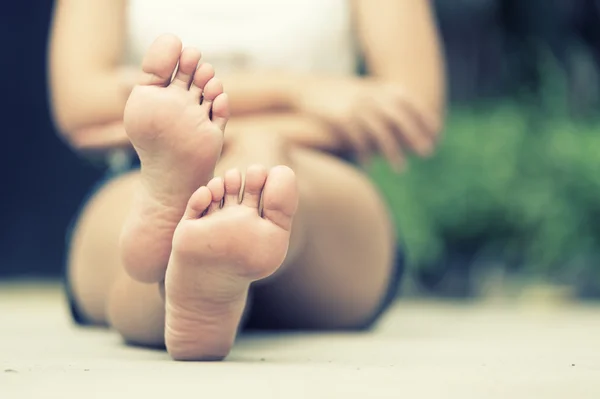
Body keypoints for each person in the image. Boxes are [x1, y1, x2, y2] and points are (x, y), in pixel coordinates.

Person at [49, 0, 445, 360]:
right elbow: (82, 105)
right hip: (156, 173)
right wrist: (299, 92)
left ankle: (175, 272)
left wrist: (219, 127)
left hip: (318, 186)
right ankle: (193, 273)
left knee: (265, 161)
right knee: (265, 171)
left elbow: (412, 110)